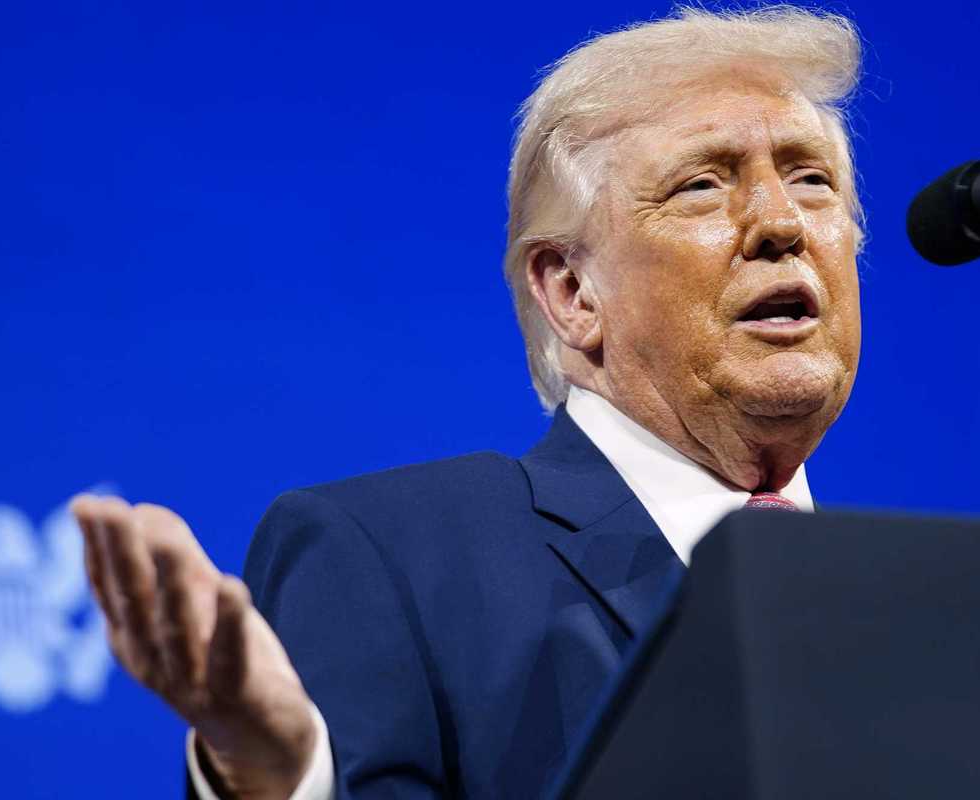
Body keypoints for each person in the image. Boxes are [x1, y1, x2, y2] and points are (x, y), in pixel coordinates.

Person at [70, 6, 864, 798]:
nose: (781, 222)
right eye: (701, 186)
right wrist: (278, 780)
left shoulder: (927, 612)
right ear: (572, 291)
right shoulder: (391, 560)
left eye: (811, 179)